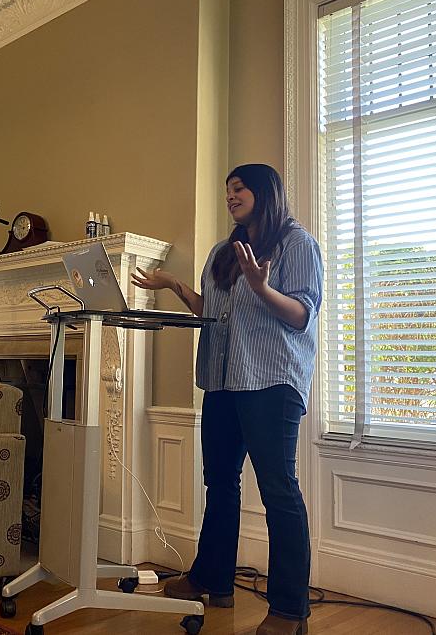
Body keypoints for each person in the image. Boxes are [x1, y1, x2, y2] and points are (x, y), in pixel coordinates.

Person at [132, 164, 322, 635]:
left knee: (279, 490)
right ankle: (212, 579)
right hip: (222, 382)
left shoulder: (297, 245)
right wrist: (175, 287)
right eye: (227, 190)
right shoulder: (222, 251)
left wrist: (262, 287)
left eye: (239, 188)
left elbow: (302, 314)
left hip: (272, 383)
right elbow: (212, 312)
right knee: (220, 483)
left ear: (264, 192)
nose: (230, 196)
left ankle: (288, 609)